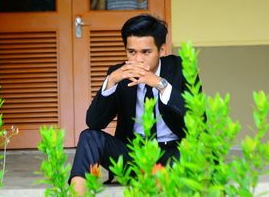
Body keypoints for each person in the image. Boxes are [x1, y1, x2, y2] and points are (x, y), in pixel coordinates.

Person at [69, 14, 192, 195]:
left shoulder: (182, 69)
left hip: (172, 154)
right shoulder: (118, 73)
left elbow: (197, 122)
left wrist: (160, 84)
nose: (138, 60)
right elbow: (94, 122)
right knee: (89, 136)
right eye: (131, 52)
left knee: (196, 154)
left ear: (162, 50)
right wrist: (111, 81)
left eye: (146, 52)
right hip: (132, 155)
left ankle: (160, 182)